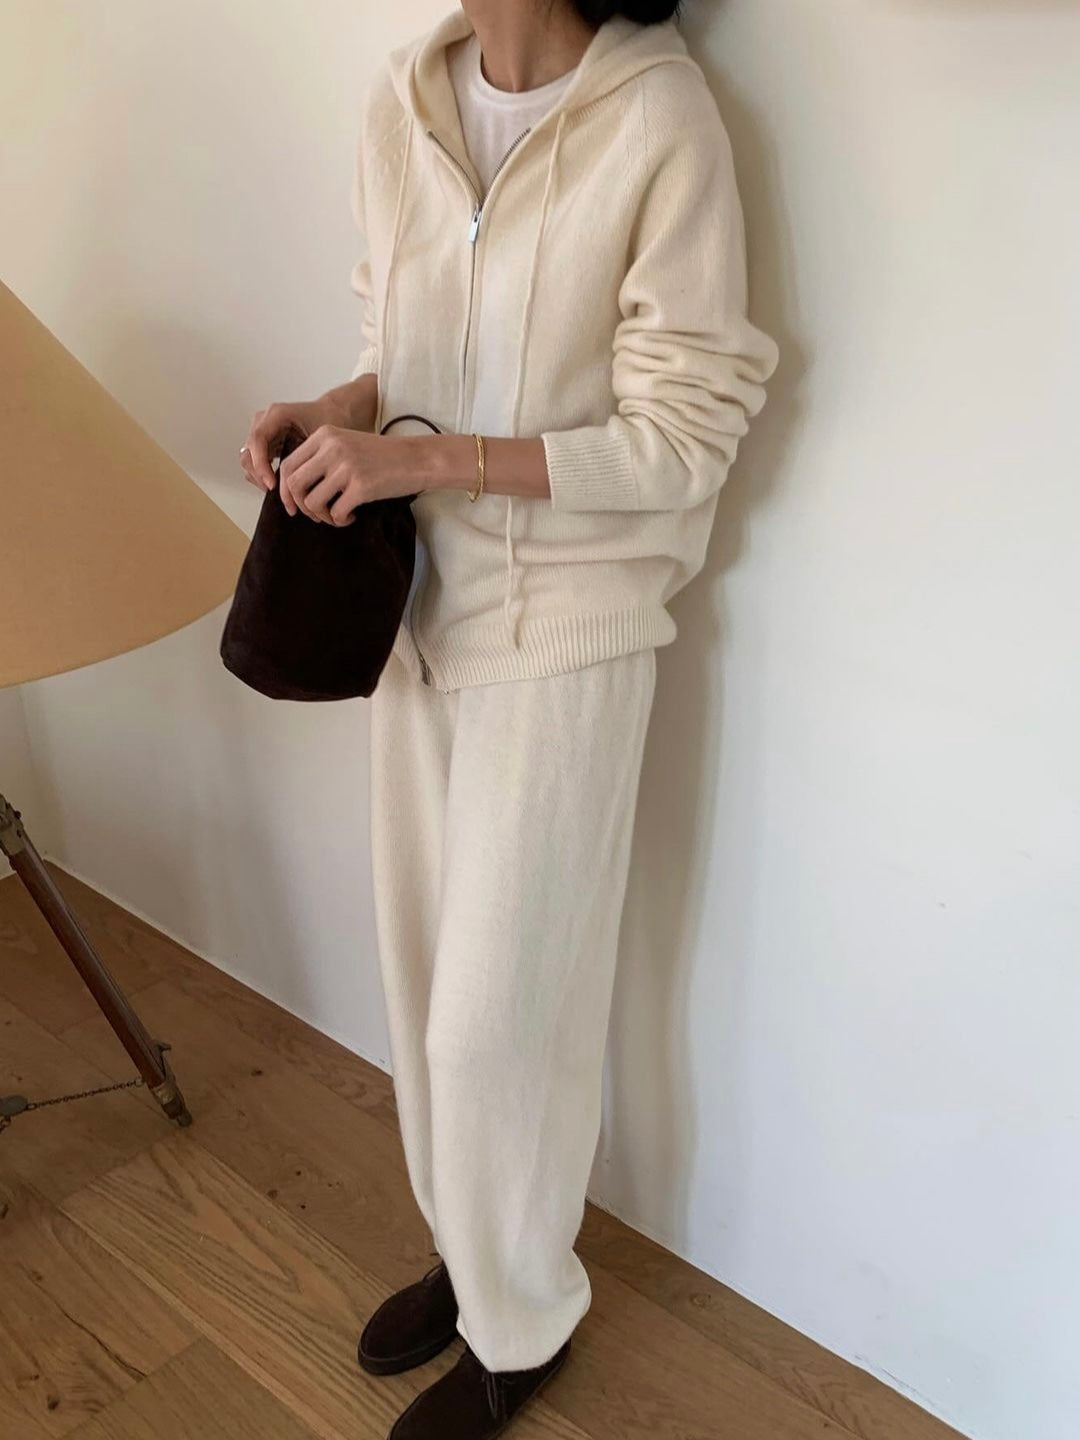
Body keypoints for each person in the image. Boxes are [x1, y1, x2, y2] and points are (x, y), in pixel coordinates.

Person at [239, 1, 778, 1435]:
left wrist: (432, 464)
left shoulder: (660, 121)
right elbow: (403, 341)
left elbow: (684, 435)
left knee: (501, 1021)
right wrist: (338, 410)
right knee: (423, 987)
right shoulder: (403, 99)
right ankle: (476, 1257)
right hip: (412, 608)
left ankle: (523, 1319)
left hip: (569, 627)